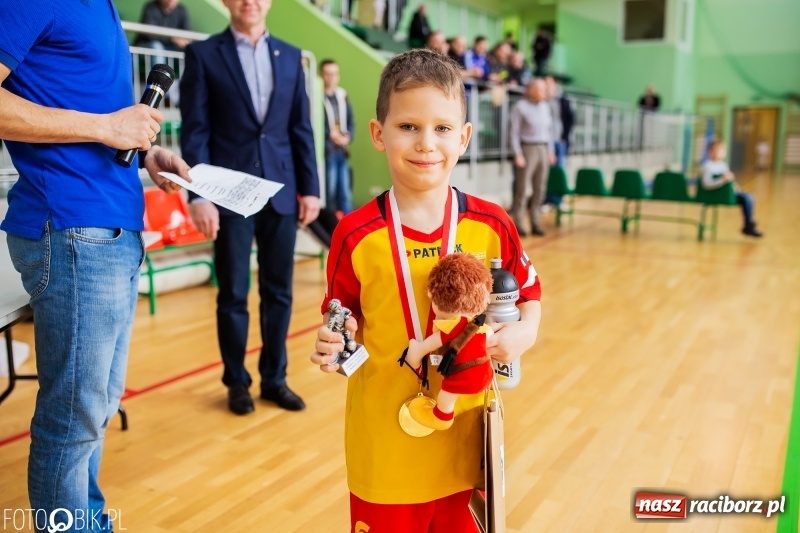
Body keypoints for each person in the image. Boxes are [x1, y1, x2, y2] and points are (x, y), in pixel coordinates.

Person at [310, 49, 542, 532]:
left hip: (465, 441)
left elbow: (528, 293)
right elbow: (341, 319)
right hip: (385, 445)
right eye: (408, 127)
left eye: (441, 128)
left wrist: (526, 332)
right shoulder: (354, 234)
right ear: (379, 133)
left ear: (464, 137)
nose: (425, 143)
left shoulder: (491, 222)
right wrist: (334, 343)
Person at [0, 2, 192, 530]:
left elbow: (92, 114)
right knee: (74, 416)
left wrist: (147, 152)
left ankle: (88, 522)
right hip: (72, 228)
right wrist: (106, 126)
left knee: (94, 408)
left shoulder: (100, 5)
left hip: (109, 227)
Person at [180, 0, 321, 416]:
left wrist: (310, 189)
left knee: (279, 292)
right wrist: (198, 194)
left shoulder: (293, 56)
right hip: (228, 195)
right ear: (226, 2)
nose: (250, 2)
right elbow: (196, 130)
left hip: (281, 190)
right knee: (234, 293)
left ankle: (275, 379)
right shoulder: (203, 55)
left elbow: (301, 128)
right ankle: (236, 382)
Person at [510, 78, 556, 236]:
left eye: (545, 89)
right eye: (541, 89)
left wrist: (551, 151)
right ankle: (518, 223)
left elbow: (549, 132)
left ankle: (536, 222)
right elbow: (514, 132)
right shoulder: (520, 106)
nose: (544, 92)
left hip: (543, 148)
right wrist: (517, 153)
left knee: (540, 188)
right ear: (531, 90)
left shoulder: (545, 107)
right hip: (527, 148)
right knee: (522, 189)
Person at [701, 140, 763, 238]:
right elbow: (707, 184)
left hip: (726, 194)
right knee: (747, 198)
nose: (717, 153)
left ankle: (748, 224)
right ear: (709, 152)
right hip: (715, 195)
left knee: (749, 197)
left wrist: (735, 187)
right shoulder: (708, 166)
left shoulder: (723, 166)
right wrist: (722, 180)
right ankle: (748, 225)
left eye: (720, 150)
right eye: (714, 150)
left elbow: (730, 182)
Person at [320, 59, 355, 215]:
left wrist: (347, 137)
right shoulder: (316, 97)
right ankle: (330, 230)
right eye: (327, 74)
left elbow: (350, 122)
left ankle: (349, 231)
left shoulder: (342, 95)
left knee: (345, 193)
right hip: (328, 152)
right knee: (329, 192)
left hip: (342, 150)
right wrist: (330, 135)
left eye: (334, 74)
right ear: (321, 76)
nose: (331, 77)